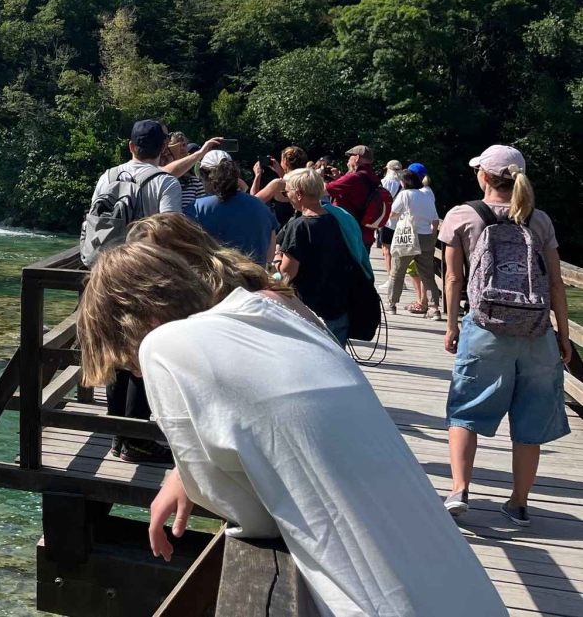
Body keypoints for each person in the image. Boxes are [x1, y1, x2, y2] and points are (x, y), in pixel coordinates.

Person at [77, 236, 507, 617]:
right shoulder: (274, 312)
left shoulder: (162, 344)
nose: (134, 370)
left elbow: (249, 515)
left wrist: (193, 473)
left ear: (136, 322)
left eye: (124, 359)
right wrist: (186, 472)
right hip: (468, 590)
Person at [440, 145, 571, 524]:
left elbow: (453, 278)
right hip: (536, 332)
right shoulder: (539, 219)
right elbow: (557, 284)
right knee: (530, 420)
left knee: (466, 411)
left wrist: (451, 325)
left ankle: (459, 489)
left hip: (484, 327)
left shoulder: (463, 215)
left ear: (483, 176)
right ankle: (519, 502)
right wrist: (562, 334)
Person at [82, 118, 182, 464]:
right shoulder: (165, 182)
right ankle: (136, 442)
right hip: (143, 277)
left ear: (131, 147)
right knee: (144, 353)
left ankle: (117, 437)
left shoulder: (107, 176)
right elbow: (171, 231)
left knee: (116, 353)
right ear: (164, 148)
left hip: (105, 273)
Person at [277, 167, 364, 346]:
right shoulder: (341, 219)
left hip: (307, 311)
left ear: (299, 194)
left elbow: (287, 273)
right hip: (339, 308)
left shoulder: (300, 226)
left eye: (287, 193)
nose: (287, 197)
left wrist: (276, 264)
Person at [193, 151, 278, 266]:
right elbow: (269, 256)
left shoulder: (196, 209)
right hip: (255, 281)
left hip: (213, 282)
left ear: (203, 175)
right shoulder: (262, 207)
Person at [386, 168, 440, 318]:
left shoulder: (405, 194)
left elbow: (393, 212)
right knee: (428, 274)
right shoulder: (426, 196)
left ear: (403, 182)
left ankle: (392, 304)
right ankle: (434, 308)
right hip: (426, 237)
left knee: (398, 272)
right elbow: (435, 220)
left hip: (408, 237)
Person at [326, 145, 392, 249]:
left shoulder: (354, 178)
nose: (348, 160)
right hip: (366, 235)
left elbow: (324, 190)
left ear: (356, 158)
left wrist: (318, 176)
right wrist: (339, 178)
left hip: (348, 235)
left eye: (350, 157)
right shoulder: (373, 177)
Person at [253, 145, 308, 228]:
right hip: (304, 225)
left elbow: (252, 201)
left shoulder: (278, 184)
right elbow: (291, 181)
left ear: (285, 161)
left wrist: (257, 175)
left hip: (284, 231)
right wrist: (279, 171)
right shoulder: (308, 180)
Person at [161, 131, 205, 208]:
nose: (182, 148)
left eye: (184, 145)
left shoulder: (194, 182)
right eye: (177, 146)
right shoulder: (160, 179)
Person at [379, 159, 405, 270]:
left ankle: (390, 277)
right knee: (398, 251)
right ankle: (398, 277)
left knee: (386, 249)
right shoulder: (403, 184)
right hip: (400, 221)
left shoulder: (384, 182)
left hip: (386, 220)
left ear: (388, 169)